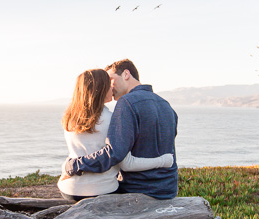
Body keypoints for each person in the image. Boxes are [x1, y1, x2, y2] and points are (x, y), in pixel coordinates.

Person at [64, 59, 178, 199]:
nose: (110, 86)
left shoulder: (127, 103)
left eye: (111, 79)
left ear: (126, 74)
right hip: (169, 188)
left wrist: (75, 165)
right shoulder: (165, 104)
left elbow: (115, 154)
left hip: (139, 189)